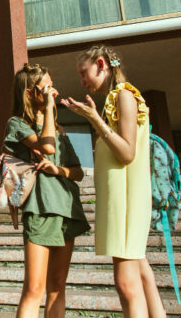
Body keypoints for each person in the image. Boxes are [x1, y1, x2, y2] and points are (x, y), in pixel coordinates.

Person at [61, 45, 165, 317]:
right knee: (141, 276)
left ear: (101, 64)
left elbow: (127, 153)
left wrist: (95, 119)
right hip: (123, 202)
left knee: (125, 283)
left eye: (84, 73)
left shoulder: (125, 97)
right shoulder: (116, 99)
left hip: (127, 204)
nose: (82, 81)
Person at [7, 63, 90, 318]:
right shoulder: (17, 124)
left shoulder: (59, 130)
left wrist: (58, 172)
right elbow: (48, 149)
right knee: (34, 288)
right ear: (31, 93)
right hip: (40, 208)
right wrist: (50, 109)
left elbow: (77, 172)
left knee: (57, 287)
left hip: (66, 207)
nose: (54, 92)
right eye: (48, 87)